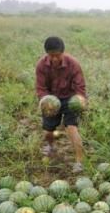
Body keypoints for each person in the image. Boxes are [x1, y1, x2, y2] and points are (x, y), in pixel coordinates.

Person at [35, 36, 87, 173]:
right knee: (48, 130)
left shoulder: (73, 64)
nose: (54, 59)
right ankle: (51, 146)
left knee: (71, 128)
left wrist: (80, 100)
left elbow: (80, 87)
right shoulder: (41, 65)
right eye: (51, 56)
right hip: (51, 100)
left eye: (57, 55)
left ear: (63, 52)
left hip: (70, 100)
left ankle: (79, 161)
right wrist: (45, 100)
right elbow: (41, 88)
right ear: (47, 53)